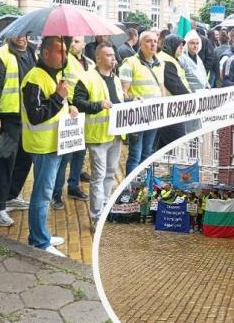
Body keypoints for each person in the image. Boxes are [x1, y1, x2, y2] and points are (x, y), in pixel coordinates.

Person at [21, 36, 72, 257]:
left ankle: (40, 234)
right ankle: (39, 241)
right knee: (42, 194)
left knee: (46, 192)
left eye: (65, 51)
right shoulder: (34, 78)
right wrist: (59, 98)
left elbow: (55, 106)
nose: (65, 56)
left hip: (55, 143)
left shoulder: (53, 75)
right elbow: (36, 115)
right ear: (45, 53)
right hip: (43, 146)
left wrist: (69, 108)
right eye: (60, 51)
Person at [0, 33, 37, 227]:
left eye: (25, 34)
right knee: (5, 161)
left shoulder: (33, 53)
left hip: (27, 117)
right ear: (9, 35)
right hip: (8, 117)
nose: (21, 38)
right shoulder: (0, 55)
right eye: (17, 34)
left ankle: (10, 196)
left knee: (25, 158)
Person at [73, 43, 123, 224]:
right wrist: (97, 105)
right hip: (98, 136)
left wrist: (133, 100)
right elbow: (77, 102)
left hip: (115, 134)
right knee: (98, 177)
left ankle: (104, 207)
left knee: (110, 173)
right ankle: (96, 216)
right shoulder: (87, 78)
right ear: (99, 58)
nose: (113, 58)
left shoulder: (115, 79)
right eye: (108, 55)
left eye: (113, 54)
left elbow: (118, 101)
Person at [52, 36, 92, 210]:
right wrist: (68, 105)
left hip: (84, 112)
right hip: (69, 112)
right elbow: (59, 84)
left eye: (78, 41)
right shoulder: (65, 60)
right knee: (65, 156)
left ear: (84, 43)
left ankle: (73, 186)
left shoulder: (88, 62)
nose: (75, 44)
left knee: (80, 154)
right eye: (73, 41)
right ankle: (56, 193)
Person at [119, 31, 163, 176]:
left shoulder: (159, 64)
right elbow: (123, 92)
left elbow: (161, 89)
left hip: (154, 116)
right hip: (137, 117)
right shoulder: (130, 63)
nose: (152, 44)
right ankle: (128, 188)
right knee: (135, 155)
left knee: (147, 154)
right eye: (148, 41)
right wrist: (132, 99)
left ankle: (142, 187)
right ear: (140, 43)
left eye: (155, 41)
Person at [156, 34, 192, 149]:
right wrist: (191, 99)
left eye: (182, 46)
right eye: (179, 46)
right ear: (171, 46)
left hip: (172, 108)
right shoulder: (166, 61)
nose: (182, 48)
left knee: (161, 147)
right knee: (179, 145)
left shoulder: (170, 59)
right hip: (171, 109)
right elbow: (175, 86)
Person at [179, 30, 209, 133]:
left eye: (197, 43)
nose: (195, 46)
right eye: (192, 43)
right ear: (186, 44)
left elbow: (203, 74)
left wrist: (207, 84)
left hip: (200, 97)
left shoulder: (198, 58)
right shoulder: (182, 58)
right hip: (189, 97)